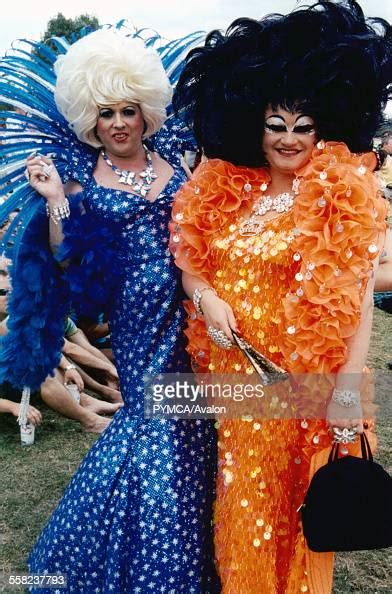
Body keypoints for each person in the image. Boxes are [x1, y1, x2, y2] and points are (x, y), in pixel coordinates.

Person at [171, 1, 391, 592]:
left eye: (303, 125)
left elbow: (361, 300)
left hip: (308, 388)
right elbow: (193, 269)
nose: (289, 139)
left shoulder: (338, 196)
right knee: (243, 509)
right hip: (241, 387)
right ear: (253, 123)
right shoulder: (224, 193)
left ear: (326, 126)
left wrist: (346, 391)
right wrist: (205, 299)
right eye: (276, 123)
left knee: (296, 520)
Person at [0, 29, 218, 592]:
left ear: (146, 113)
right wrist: (54, 203)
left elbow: (207, 230)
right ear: (90, 121)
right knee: (155, 420)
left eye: (127, 110)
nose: (118, 123)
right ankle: (154, 560)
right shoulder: (82, 181)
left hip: (194, 308)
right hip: (137, 318)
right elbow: (67, 260)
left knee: (195, 422)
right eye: (105, 113)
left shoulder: (182, 167)